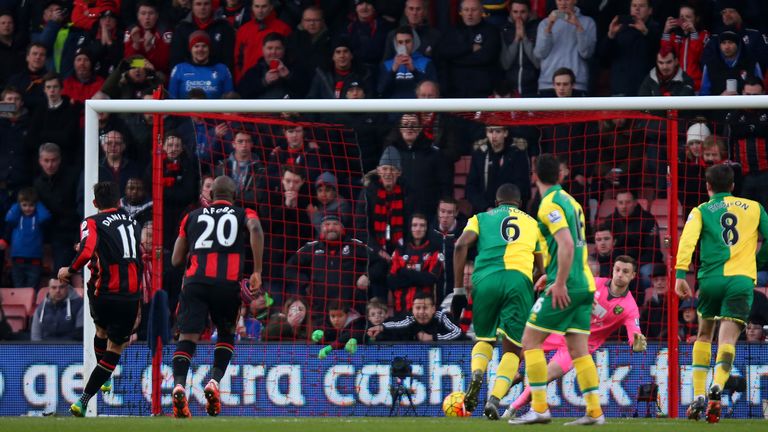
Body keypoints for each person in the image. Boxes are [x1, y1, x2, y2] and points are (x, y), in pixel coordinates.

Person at [509, 154, 602, 426]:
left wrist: (559, 282)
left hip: (568, 285)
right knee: (578, 350)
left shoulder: (549, 203)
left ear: (534, 176)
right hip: (585, 284)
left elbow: (566, 244)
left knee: (529, 341)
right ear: (561, 175)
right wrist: (551, 276)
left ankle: (539, 408)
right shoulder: (571, 201)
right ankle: (594, 411)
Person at [675, 164, 768, 423]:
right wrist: (758, 263)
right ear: (733, 186)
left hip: (711, 280)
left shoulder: (701, 210)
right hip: (740, 281)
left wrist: (681, 274)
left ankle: (698, 395)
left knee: (704, 335)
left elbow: (687, 241)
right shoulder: (754, 208)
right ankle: (717, 383)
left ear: (708, 187)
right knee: (727, 340)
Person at [505, 256, 647, 418]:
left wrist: (636, 343)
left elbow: (635, 333)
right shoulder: (595, 283)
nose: (620, 274)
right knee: (526, 344)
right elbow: (570, 282)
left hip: (580, 347)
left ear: (633, 275)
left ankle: (511, 409)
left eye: (625, 271)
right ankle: (513, 375)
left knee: (545, 376)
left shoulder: (629, 307)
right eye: (617, 270)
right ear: (613, 270)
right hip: (563, 329)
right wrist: (550, 279)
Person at [170, 176, 264, 418]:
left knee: (187, 337)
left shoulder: (190, 217)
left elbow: (176, 260)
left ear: (210, 196)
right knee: (225, 334)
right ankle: (213, 382)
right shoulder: (244, 213)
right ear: (235, 195)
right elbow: (255, 228)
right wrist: (257, 271)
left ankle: (179, 384)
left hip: (195, 283)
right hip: (226, 285)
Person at [452, 183, 543, 419]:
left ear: (496, 201)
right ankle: (495, 398)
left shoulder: (480, 217)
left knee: (484, 339)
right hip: (518, 282)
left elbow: (461, 244)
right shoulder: (533, 224)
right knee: (513, 349)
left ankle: (477, 374)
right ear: (520, 204)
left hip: (485, 280)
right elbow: (541, 269)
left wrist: (458, 290)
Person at [58, 181, 143, 417]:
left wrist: (70, 270)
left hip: (102, 292)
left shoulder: (92, 221)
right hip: (129, 294)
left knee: (101, 332)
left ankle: (102, 378)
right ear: (119, 201)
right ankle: (84, 401)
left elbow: (87, 250)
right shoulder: (133, 222)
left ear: (95, 203)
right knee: (115, 347)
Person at [437, 0, 501, 98]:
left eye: (473, 10)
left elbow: (486, 57)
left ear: (481, 11)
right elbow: (443, 53)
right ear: (461, 12)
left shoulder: (491, 31)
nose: (469, 14)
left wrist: (455, 58)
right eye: (466, 10)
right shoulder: (452, 31)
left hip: (483, 92)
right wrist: (469, 48)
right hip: (455, 91)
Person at [533, 0, 596, 97]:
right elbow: (540, 53)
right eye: (559, 0)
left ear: (575, 1)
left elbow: (586, 53)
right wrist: (549, 26)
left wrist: (578, 26)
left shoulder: (588, 22)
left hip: (576, 84)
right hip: (548, 84)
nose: (563, 3)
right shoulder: (545, 23)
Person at [466, 125, 532, 214]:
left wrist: (505, 208)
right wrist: (486, 208)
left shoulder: (517, 153)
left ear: (505, 133)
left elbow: (523, 187)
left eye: (497, 131)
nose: (493, 136)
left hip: (511, 211)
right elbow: (471, 188)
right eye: (490, 131)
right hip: (485, 211)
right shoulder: (480, 154)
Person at [1, 187, 51, 288]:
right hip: (17, 260)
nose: (28, 208)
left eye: (31, 205)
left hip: (35, 260)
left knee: (32, 289)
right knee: (18, 287)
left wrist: (38, 204)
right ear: (19, 205)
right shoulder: (16, 218)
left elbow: (46, 216)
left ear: (36, 205)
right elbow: (9, 218)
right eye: (24, 205)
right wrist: (18, 205)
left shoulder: (38, 217)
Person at [366, 290, 462, 342]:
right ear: (412, 309)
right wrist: (380, 328)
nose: (421, 312)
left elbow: (457, 332)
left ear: (433, 309)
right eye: (418, 308)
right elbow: (397, 325)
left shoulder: (441, 316)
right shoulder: (410, 318)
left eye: (425, 308)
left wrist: (433, 338)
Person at [233, 0, 291, 83]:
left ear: (271, 7)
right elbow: (237, 60)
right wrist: (240, 81)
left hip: (277, 80)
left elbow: (289, 57)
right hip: (249, 81)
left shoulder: (283, 29)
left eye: (264, 6)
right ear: (252, 7)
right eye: (257, 6)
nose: (260, 10)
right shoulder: (243, 30)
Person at [168, 30, 234, 99]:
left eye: (204, 46)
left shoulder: (222, 69)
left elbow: (230, 99)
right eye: (196, 46)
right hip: (186, 109)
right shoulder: (179, 69)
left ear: (209, 48)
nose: (200, 49)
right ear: (191, 49)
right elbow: (172, 99)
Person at [660, 3, 709, 91]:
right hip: (676, 86)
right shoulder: (674, 36)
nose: (684, 20)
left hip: (696, 86)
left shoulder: (703, 34)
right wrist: (666, 31)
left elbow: (698, 56)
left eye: (688, 17)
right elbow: (665, 54)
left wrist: (693, 32)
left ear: (696, 19)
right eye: (681, 17)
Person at [377, 26, 437, 98]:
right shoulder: (387, 65)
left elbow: (432, 91)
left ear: (414, 42)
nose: (404, 45)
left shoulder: (426, 63)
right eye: (400, 42)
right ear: (395, 44)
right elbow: (381, 90)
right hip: (394, 107)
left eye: (407, 41)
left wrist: (414, 70)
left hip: (418, 107)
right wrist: (393, 70)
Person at [699, 30, 762, 96]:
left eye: (730, 42)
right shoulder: (710, 65)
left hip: (747, 105)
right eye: (723, 43)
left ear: (738, 45)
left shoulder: (751, 63)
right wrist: (721, 98)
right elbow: (704, 94)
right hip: (718, 105)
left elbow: (760, 90)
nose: (727, 47)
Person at [500, 0, 540, 97]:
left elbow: (538, 63)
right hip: (510, 90)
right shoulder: (504, 30)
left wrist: (525, 38)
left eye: (522, 12)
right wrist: (517, 39)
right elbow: (505, 64)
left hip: (533, 88)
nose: (518, 16)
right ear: (510, 12)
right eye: (515, 12)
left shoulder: (537, 28)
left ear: (529, 12)